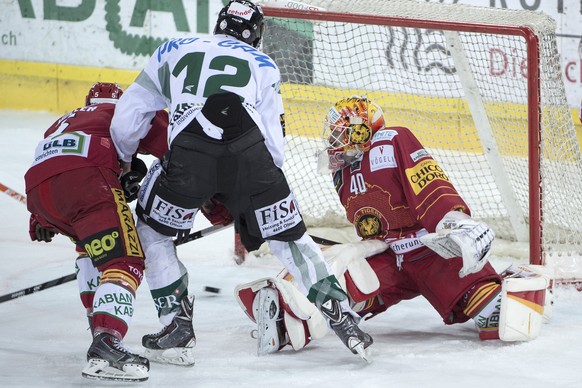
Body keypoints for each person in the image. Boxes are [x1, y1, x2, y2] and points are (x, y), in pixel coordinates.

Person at [109, 0, 372, 361]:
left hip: (189, 160)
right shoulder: (265, 64)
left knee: (153, 233)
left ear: (219, 24)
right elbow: (274, 145)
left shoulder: (174, 48)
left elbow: (130, 114)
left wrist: (125, 162)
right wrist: (257, 196)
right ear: (256, 34)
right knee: (290, 241)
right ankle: (345, 319)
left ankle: (177, 325)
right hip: (252, 160)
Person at [235, 95, 543, 353]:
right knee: (341, 282)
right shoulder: (341, 174)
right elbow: (373, 227)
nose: (332, 141)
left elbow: (427, 182)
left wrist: (455, 220)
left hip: (431, 250)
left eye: (340, 133)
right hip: (392, 258)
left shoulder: (391, 140)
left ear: (361, 132)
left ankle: (523, 285)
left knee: (496, 318)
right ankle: (283, 318)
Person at [25, 82, 169, 382]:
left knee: (91, 248)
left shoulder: (62, 122)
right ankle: (107, 342)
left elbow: (50, 167)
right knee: (124, 261)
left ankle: (99, 328)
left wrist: (39, 218)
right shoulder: (121, 110)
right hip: (87, 179)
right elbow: (173, 142)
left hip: (40, 191)